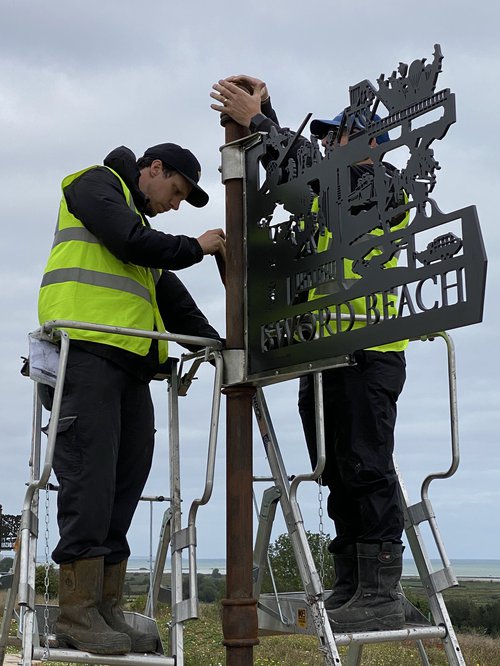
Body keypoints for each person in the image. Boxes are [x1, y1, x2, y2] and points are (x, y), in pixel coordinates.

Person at [210, 76, 408, 633]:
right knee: (335, 470)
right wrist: (268, 112)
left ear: (370, 144)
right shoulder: (330, 193)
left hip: (368, 351)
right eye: (324, 138)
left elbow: (323, 180)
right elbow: (301, 178)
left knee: (366, 465)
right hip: (323, 358)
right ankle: (353, 584)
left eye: (338, 136)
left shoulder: (388, 187)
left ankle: (382, 590)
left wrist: (263, 122)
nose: (326, 144)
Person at [38, 143, 225, 654]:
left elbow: (178, 307)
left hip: (130, 366)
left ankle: (106, 608)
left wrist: (220, 348)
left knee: (126, 480)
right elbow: (127, 240)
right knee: (91, 478)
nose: (176, 204)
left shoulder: (144, 249)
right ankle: (76, 613)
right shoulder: (96, 185)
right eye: (177, 191)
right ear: (154, 169)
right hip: (86, 353)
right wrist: (198, 246)